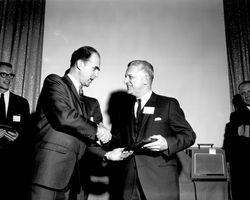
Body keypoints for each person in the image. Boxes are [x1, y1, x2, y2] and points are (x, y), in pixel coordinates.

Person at [29, 46, 127, 200]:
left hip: (74, 181)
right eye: (95, 68)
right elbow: (65, 116)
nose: (96, 74)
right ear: (80, 64)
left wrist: (108, 154)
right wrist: (97, 129)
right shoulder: (55, 82)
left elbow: (89, 142)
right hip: (47, 175)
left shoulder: (88, 103)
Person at [112, 60, 196, 200]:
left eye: (130, 76)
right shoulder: (123, 109)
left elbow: (189, 135)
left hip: (159, 183)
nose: (125, 80)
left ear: (145, 79)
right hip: (129, 183)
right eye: (126, 76)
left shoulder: (167, 104)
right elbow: (118, 140)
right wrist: (101, 134)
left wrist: (166, 144)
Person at [0, 61, 31, 200]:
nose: (8, 78)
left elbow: (29, 134)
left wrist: (19, 136)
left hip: (13, 167)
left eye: (11, 75)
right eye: (3, 74)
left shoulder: (22, 103)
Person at [223, 80, 250, 200]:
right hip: (241, 169)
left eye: (249, 92)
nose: (247, 96)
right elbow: (229, 144)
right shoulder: (236, 117)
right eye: (243, 94)